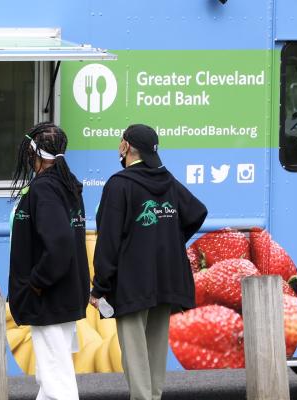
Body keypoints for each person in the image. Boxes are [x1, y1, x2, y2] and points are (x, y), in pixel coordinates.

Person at [89, 124, 207, 400]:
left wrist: (99, 287)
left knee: (134, 353)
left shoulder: (120, 185)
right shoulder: (168, 181)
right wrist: (167, 239)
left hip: (132, 283)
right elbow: (197, 212)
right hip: (166, 279)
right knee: (155, 350)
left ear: (127, 147)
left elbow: (109, 242)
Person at [7, 122, 89, 400]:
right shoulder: (65, 185)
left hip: (50, 297)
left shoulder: (45, 188)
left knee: (57, 380)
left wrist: (37, 283)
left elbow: (60, 244)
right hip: (64, 294)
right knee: (49, 374)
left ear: (35, 153)